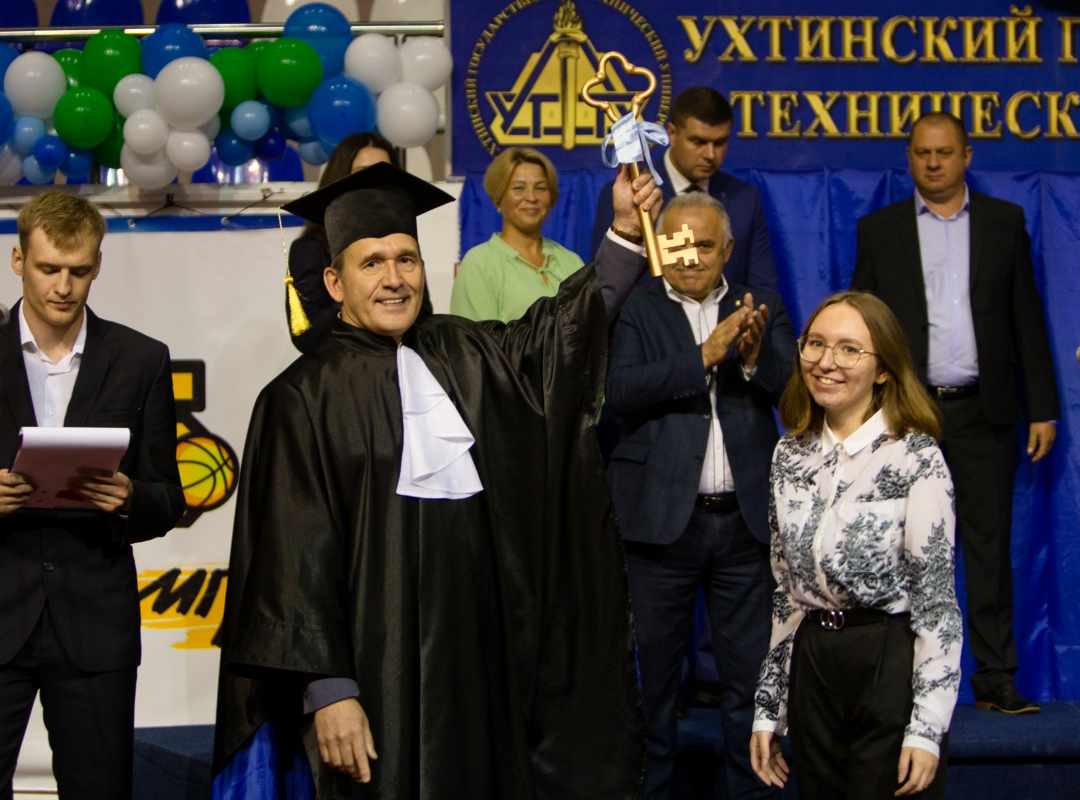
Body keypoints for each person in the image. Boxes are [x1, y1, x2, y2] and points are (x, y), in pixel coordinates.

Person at [212, 162, 662, 799]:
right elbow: (292, 561)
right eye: (372, 264)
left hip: (478, 667)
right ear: (335, 282)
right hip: (371, 675)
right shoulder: (298, 400)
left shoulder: (465, 352)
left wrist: (623, 234)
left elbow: (557, 339)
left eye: (407, 259)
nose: (394, 279)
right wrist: (329, 692)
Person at [851, 111, 1059, 715]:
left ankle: (995, 678)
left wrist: (1042, 408)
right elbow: (861, 323)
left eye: (944, 152)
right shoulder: (879, 230)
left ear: (967, 156)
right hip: (907, 416)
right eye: (922, 152)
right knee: (895, 547)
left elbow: (1026, 317)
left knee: (989, 550)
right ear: (909, 158)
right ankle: (897, 677)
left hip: (982, 413)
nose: (933, 162)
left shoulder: (1003, 223)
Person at [606, 191, 794, 800]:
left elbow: (796, 395)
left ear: (728, 249)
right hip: (658, 525)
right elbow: (617, 392)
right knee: (652, 690)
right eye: (677, 244)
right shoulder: (635, 306)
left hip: (745, 527)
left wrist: (753, 359)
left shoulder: (761, 307)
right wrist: (704, 356)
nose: (690, 256)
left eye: (704, 244)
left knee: (749, 688)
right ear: (659, 247)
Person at [0, 192, 185, 799]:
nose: (63, 287)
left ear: (98, 265)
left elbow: (170, 498)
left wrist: (128, 495)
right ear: (17, 260)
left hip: (95, 625)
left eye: (78, 271)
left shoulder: (140, 360)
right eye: (48, 268)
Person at [750, 292, 961, 800]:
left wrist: (927, 727)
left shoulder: (915, 456)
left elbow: (936, 602)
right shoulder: (788, 455)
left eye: (849, 349)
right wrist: (769, 708)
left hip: (886, 658)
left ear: (883, 369)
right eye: (816, 344)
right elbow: (786, 594)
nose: (826, 362)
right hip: (814, 663)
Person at [590, 86, 778, 292]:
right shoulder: (630, 196)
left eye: (719, 143)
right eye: (698, 142)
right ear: (672, 133)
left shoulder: (744, 199)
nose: (710, 154)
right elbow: (606, 284)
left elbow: (764, 290)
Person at [286, 132, 432, 353]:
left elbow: (422, 315)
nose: (393, 280)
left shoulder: (403, 245)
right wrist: (369, 308)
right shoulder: (310, 248)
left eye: (383, 175)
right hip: (341, 362)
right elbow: (307, 331)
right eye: (362, 173)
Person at [450, 147, 584, 322]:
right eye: (519, 188)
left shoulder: (572, 262)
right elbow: (472, 338)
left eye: (541, 188)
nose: (531, 197)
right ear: (498, 198)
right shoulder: (479, 265)